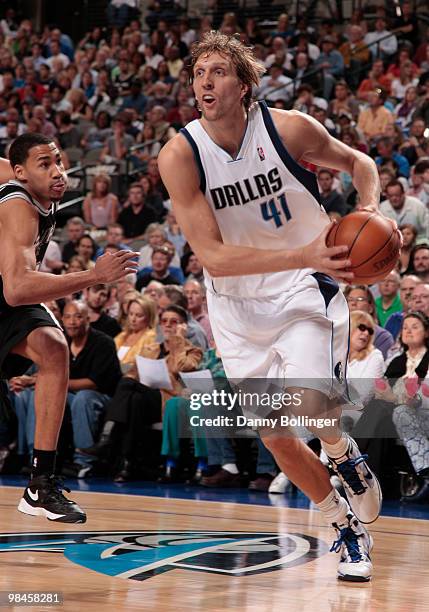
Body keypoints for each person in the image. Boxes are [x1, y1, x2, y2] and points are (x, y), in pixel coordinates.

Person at [158, 32, 398, 583]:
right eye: (198, 74)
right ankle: (343, 526)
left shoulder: (287, 128)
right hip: (236, 301)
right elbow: (213, 259)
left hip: (303, 284)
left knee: (314, 409)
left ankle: (342, 450)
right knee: (275, 435)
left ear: (243, 84)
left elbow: (359, 162)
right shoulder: (180, 154)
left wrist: (368, 214)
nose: (205, 83)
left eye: (217, 72)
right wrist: (303, 248)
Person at [0, 133, 138, 523]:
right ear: (23, 174)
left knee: (53, 347)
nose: (58, 170)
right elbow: (17, 289)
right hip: (10, 293)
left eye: (58, 159)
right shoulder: (19, 206)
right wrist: (94, 275)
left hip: (9, 298)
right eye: (45, 164)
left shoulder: (17, 172)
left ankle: (40, 483)